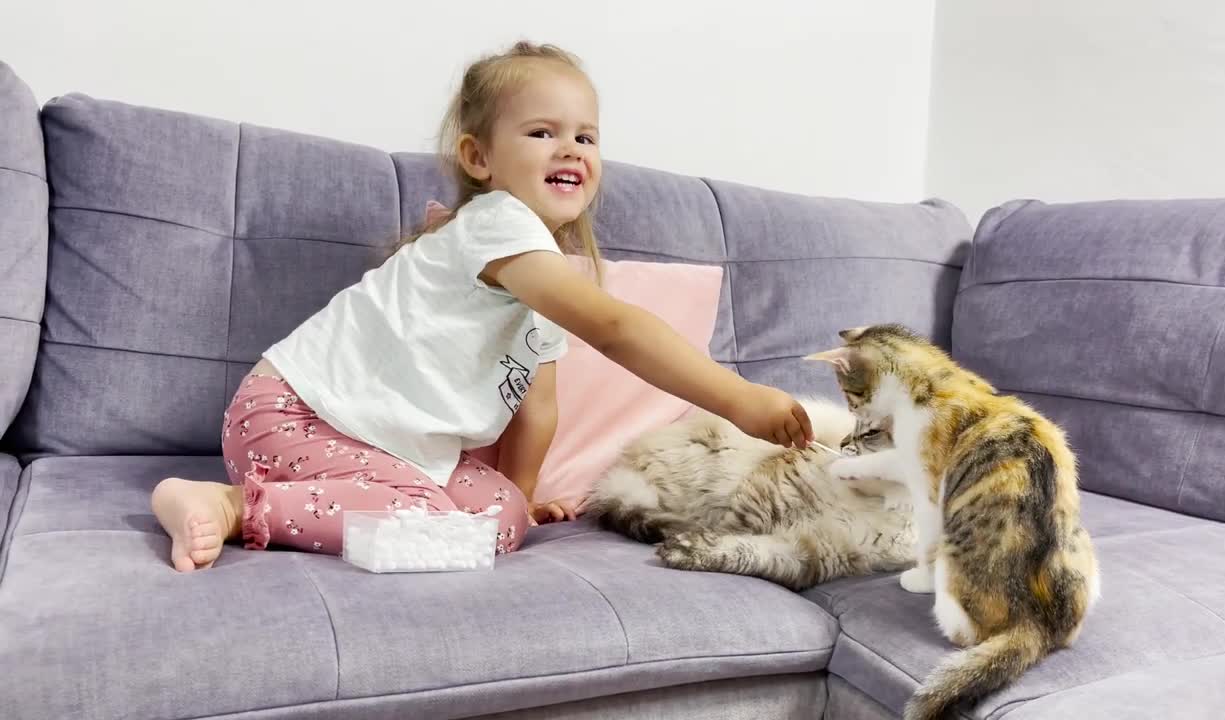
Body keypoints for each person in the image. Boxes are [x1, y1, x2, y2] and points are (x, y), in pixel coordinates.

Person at [151, 41, 812, 572]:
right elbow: (615, 330)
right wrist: (738, 400)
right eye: (543, 132)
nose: (572, 150)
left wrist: (520, 499)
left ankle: (435, 507)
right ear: (480, 157)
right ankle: (230, 504)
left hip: (381, 447)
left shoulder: (543, 285)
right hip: (292, 417)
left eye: (587, 137)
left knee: (499, 522)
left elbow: (537, 410)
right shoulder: (495, 224)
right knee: (435, 520)